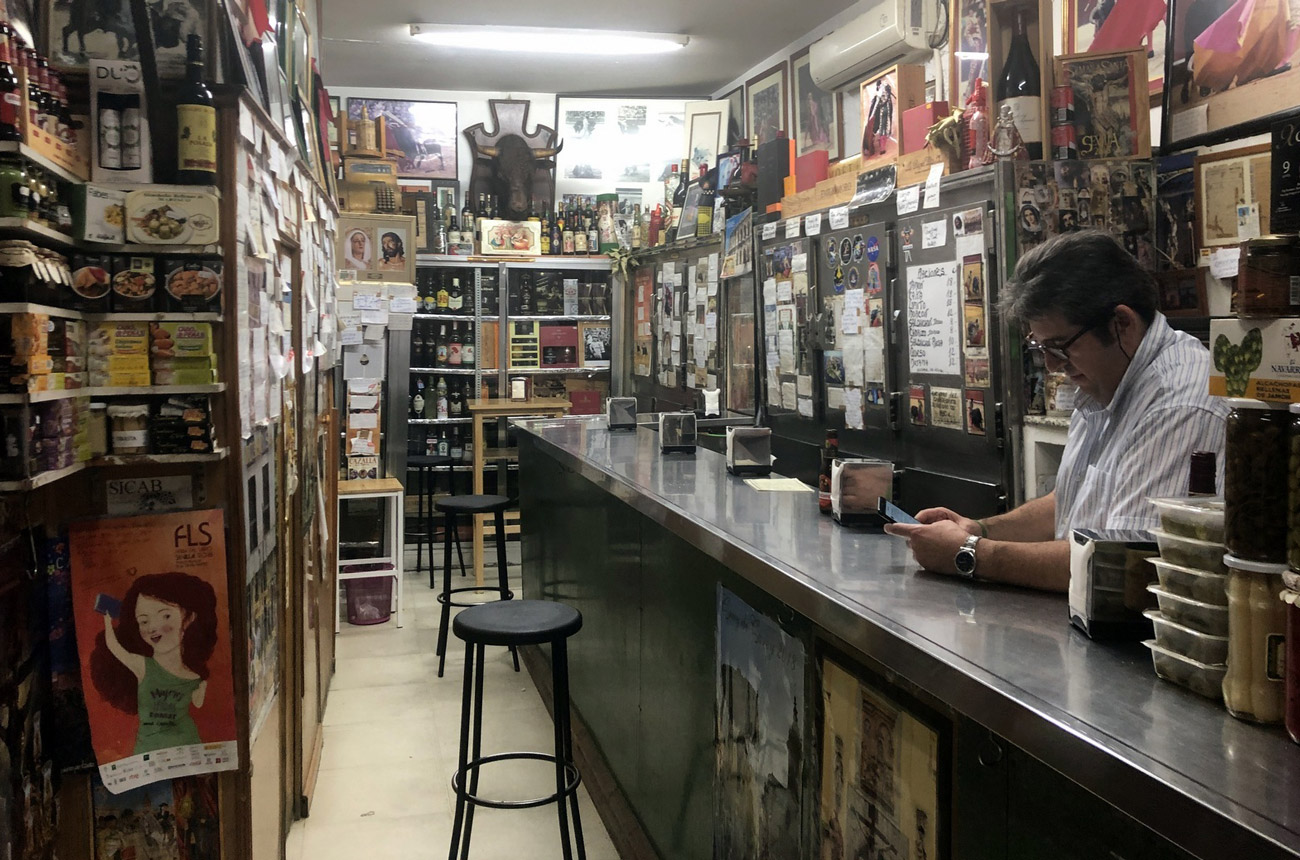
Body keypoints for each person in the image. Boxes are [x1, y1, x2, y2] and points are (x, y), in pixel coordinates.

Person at [885, 231, 1228, 592]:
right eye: (1040, 347)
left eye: (1060, 346)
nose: (1051, 365)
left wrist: (970, 554)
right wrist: (979, 529)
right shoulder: (1105, 380)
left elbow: (1123, 568)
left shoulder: (1178, 405)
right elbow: (1072, 500)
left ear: (1122, 324)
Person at [90, 572, 220, 755]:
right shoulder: (143, 666)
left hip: (187, 748)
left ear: (189, 618)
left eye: (165, 616)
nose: (152, 627)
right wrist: (107, 621)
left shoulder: (195, 678)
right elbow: (116, 649)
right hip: (149, 750)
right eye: (143, 621)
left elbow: (199, 705)